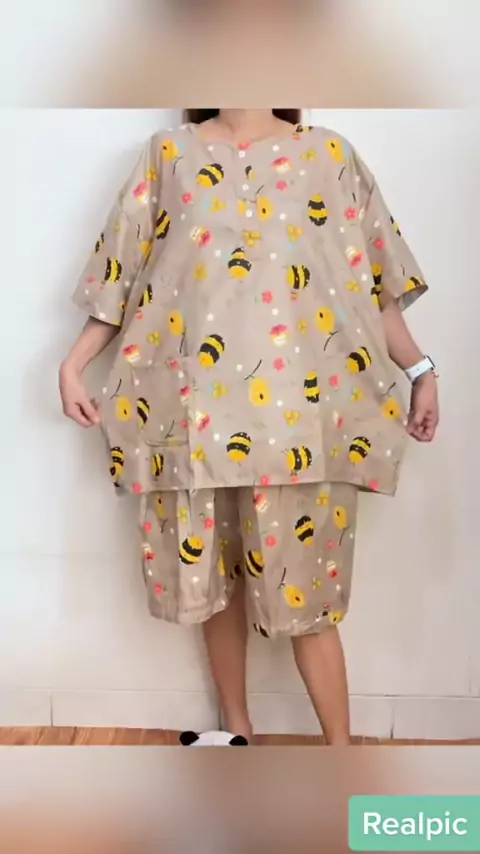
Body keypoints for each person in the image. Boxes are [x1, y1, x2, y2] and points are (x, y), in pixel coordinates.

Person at [59, 109, 439, 745]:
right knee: (214, 583)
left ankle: (340, 757)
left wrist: (421, 370)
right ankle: (236, 735)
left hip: (299, 424)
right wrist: (73, 364)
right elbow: (120, 277)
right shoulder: (168, 155)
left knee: (308, 596)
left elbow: (374, 284)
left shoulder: (328, 156)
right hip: (194, 414)